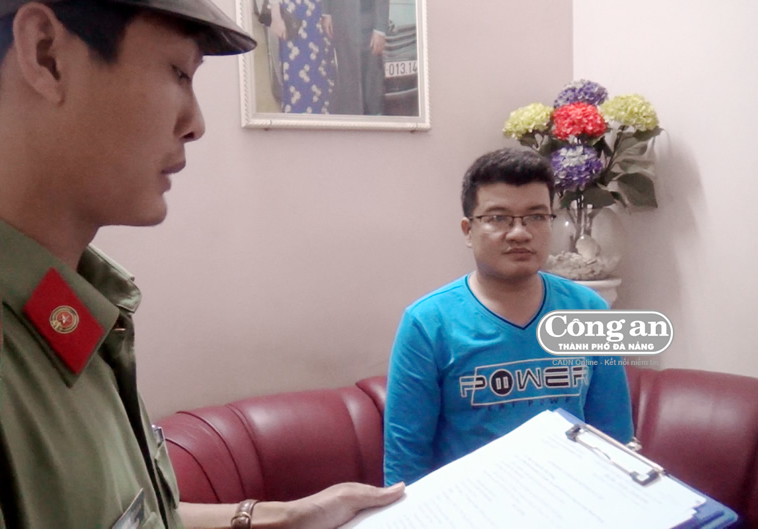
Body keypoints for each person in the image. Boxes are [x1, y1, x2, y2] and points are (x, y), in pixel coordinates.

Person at [0, 1, 403, 527]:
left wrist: (277, 517)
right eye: (179, 73)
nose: (195, 123)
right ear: (46, 54)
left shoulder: (60, 308)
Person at [383, 148, 634, 486]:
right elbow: (405, 465)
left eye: (536, 216)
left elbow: (614, 439)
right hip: (470, 506)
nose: (520, 233)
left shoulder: (589, 311)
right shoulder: (427, 324)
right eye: (499, 218)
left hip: (573, 499)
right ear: (468, 230)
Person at [321, 0, 389, 115]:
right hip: (341, 21)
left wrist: (380, 28)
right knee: (347, 80)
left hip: (366, 21)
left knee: (370, 82)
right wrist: (326, 12)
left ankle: (373, 119)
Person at [267, 0, 335, 113]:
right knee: (296, 74)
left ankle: (321, 116)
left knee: (320, 73)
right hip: (293, 14)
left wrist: (327, 13)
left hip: (317, 15)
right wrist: (276, 16)